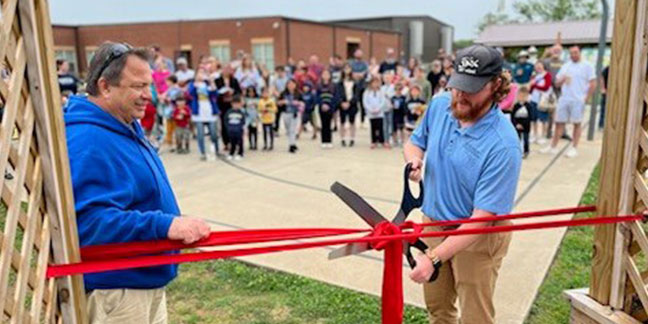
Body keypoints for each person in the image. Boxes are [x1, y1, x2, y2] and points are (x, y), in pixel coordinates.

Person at [65, 42, 210, 323]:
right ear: (105, 87)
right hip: (118, 292)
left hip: (142, 282)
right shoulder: (87, 140)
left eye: (149, 85)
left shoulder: (124, 124)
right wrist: (166, 226)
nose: (148, 95)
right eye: (138, 87)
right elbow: (88, 224)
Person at [405, 44, 521, 324]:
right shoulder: (440, 105)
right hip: (434, 223)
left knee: (475, 317)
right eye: (457, 85)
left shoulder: (504, 145)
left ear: (495, 85)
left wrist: (433, 258)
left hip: (478, 237)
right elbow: (414, 143)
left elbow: (481, 220)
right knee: (438, 309)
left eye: (471, 88)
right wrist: (414, 161)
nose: (460, 95)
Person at [540, 46, 595, 158]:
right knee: (559, 122)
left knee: (576, 123)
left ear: (580, 53)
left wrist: (586, 97)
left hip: (578, 99)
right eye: (571, 53)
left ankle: (574, 148)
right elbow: (556, 83)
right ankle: (553, 146)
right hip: (564, 98)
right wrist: (562, 80)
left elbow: (593, 83)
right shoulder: (566, 66)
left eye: (575, 53)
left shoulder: (587, 66)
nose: (573, 55)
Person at [188, 69, 220, 161]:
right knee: (200, 134)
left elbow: (215, 94)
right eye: (200, 73)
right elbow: (190, 93)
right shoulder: (193, 84)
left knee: (214, 133)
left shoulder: (208, 84)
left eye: (203, 73)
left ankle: (216, 150)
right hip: (199, 112)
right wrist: (196, 82)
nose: (202, 75)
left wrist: (211, 82)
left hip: (209, 110)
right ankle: (202, 152)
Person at [215, 65, 242, 149]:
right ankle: (226, 143)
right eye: (225, 69)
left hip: (232, 104)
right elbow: (215, 93)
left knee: (234, 123)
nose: (227, 71)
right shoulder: (217, 81)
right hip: (222, 104)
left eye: (229, 69)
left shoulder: (234, 80)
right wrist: (222, 93)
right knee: (224, 124)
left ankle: (235, 142)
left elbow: (239, 92)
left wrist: (232, 92)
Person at [529, 61, 553, 144]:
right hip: (533, 99)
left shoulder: (547, 75)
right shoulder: (534, 76)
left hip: (542, 100)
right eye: (537, 66)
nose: (538, 67)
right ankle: (534, 135)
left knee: (543, 119)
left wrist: (534, 85)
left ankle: (543, 136)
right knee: (533, 119)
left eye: (540, 65)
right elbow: (530, 89)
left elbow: (546, 87)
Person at [277, 79, 303, 153]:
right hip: (286, 113)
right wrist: (283, 102)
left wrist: (298, 103)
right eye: (289, 84)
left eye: (292, 84)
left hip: (294, 113)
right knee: (288, 130)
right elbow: (278, 102)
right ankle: (293, 143)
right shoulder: (283, 93)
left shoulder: (298, 93)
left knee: (292, 130)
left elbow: (302, 102)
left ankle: (291, 145)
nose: (291, 85)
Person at [363, 76, 388, 149]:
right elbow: (365, 102)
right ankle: (373, 141)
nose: (375, 84)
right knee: (373, 127)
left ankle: (382, 141)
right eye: (373, 83)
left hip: (379, 112)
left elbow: (383, 101)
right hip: (371, 112)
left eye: (376, 83)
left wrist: (378, 109)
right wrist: (370, 109)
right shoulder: (367, 92)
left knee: (380, 127)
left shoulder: (381, 92)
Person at [338, 64, 358, 147]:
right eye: (345, 68)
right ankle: (342, 139)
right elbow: (338, 94)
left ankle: (352, 138)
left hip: (352, 104)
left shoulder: (355, 82)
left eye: (348, 68)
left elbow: (357, 94)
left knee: (352, 121)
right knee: (342, 122)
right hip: (343, 104)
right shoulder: (339, 83)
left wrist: (350, 102)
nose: (347, 70)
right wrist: (342, 102)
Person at [512, 86, 535, 158]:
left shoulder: (529, 106)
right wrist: (516, 124)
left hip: (526, 126)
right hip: (517, 125)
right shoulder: (516, 106)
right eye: (520, 95)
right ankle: (517, 152)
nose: (521, 97)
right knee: (517, 139)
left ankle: (526, 151)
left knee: (526, 139)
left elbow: (530, 117)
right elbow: (513, 116)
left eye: (524, 96)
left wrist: (523, 124)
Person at [318, 69, 338, 148]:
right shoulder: (319, 86)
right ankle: (323, 141)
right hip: (322, 107)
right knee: (323, 124)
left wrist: (330, 105)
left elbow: (335, 97)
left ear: (330, 76)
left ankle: (329, 141)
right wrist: (322, 104)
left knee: (329, 124)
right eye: (324, 74)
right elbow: (317, 96)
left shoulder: (333, 85)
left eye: (327, 74)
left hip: (330, 107)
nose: (326, 76)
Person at [225, 95, 246, 160]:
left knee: (240, 142)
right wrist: (228, 128)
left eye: (237, 104)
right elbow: (226, 120)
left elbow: (243, 121)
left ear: (240, 104)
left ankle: (240, 153)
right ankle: (231, 153)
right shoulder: (229, 112)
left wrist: (242, 129)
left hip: (239, 130)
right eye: (234, 104)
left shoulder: (241, 112)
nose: (236, 105)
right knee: (232, 142)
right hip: (231, 130)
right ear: (231, 104)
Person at [391, 81, 407, 146]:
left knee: (401, 128)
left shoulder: (404, 98)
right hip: (394, 114)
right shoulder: (393, 98)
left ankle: (402, 140)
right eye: (396, 89)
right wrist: (392, 106)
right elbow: (390, 105)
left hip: (401, 114)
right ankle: (395, 141)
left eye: (400, 89)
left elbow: (405, 106)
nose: (398, 91)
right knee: (394, 128)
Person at [244, 86, 260, 150]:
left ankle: (255, 144)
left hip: (255, 117)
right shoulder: (246, 99)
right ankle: (250, 144)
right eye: (249, 92)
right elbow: (244, 107)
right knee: (249, 131)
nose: (251, 93)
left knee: (255, 131)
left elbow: (259, 107)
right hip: (248, 117)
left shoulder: (257, 99)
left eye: (252, 92)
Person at [599, 65, 609, 130]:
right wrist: (603, 89)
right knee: (603, 109)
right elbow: (602, 77)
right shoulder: (608, 68)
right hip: (606, 92)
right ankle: (601, 125)